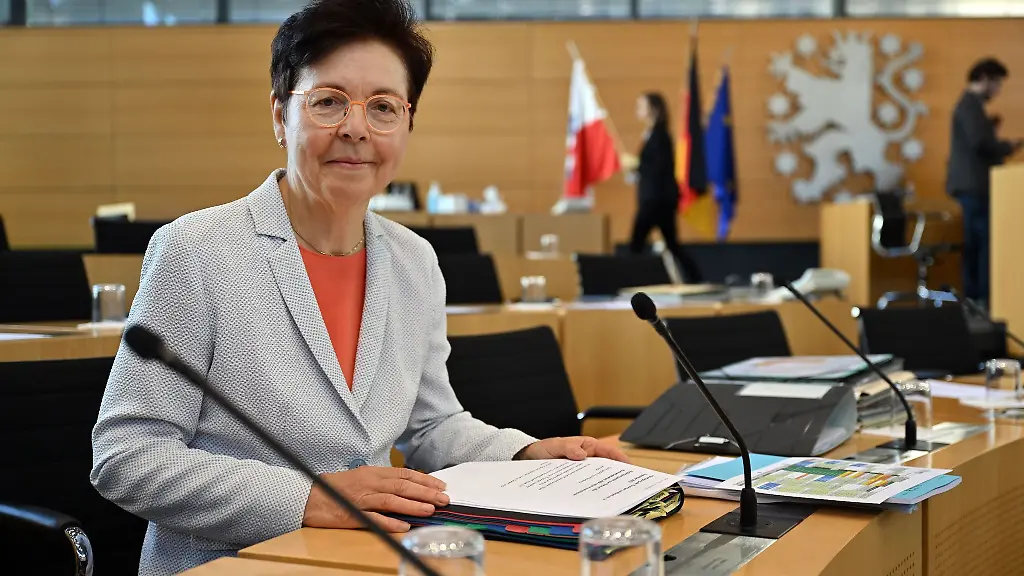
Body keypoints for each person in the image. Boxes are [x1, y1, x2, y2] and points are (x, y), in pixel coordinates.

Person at [89, 1, 627, 574]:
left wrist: (524, 452)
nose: (355, 128)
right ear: (280, 115)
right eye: (328, 102)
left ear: (407, 125)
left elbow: (432, 426)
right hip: (231, 564)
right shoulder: (196, 250)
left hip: (371, 559)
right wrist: (309, 498)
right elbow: (128, 456)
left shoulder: (414, 260)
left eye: (383, 107)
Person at [946, 58, 1023, 306]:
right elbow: (980, 143)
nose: (998, 90)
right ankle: (979, 302)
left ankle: (977, 300)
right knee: (979, 246)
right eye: (997, 83)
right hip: (975, 188)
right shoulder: (970, 105)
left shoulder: (971, 106)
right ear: (984, 79)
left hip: (973, 187)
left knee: (977, 245)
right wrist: (1006, 146)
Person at [622, 92, 702, 283]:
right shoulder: (652, 134)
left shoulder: (660, 136)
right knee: (672, 244)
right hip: (658, 199)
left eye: (642, 106)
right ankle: (696, 278)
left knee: (636, 244)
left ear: (654, 109)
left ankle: (625, 279)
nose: (638, 110)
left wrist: (637, 165)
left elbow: (658, 167)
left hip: (656, 200)